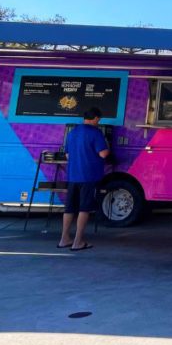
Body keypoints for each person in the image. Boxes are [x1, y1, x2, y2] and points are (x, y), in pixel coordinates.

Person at [59, 107, 110, 251]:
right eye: (98, 120)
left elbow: (67, 155)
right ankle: (78, 242)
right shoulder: (96, 132)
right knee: (84, 208)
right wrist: (108, 147)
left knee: (69, 208)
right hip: (88, 175)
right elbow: (103, 154)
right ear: (95, 118)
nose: (98, 122)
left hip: (73, 176)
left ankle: (64, 239)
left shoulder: (72, 132)